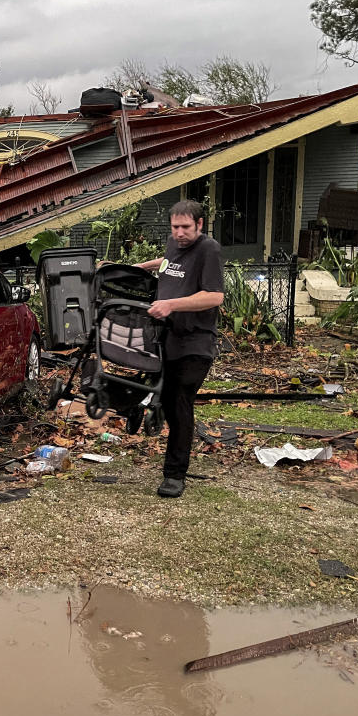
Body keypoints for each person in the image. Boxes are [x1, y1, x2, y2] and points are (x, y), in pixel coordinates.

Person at [136, 200, 224, 498]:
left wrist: (171, 304)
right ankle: (158, 411)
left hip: (196, 341)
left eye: (186, 227)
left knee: (181, 400)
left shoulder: (208, 249)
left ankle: (175, 474)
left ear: (199, 225)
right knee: (166, 395)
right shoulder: (175, 245)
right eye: (175, 227)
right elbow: (169, 263)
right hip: (168, 337)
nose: (180, 233)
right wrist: (138, 267)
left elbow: (214, 296)